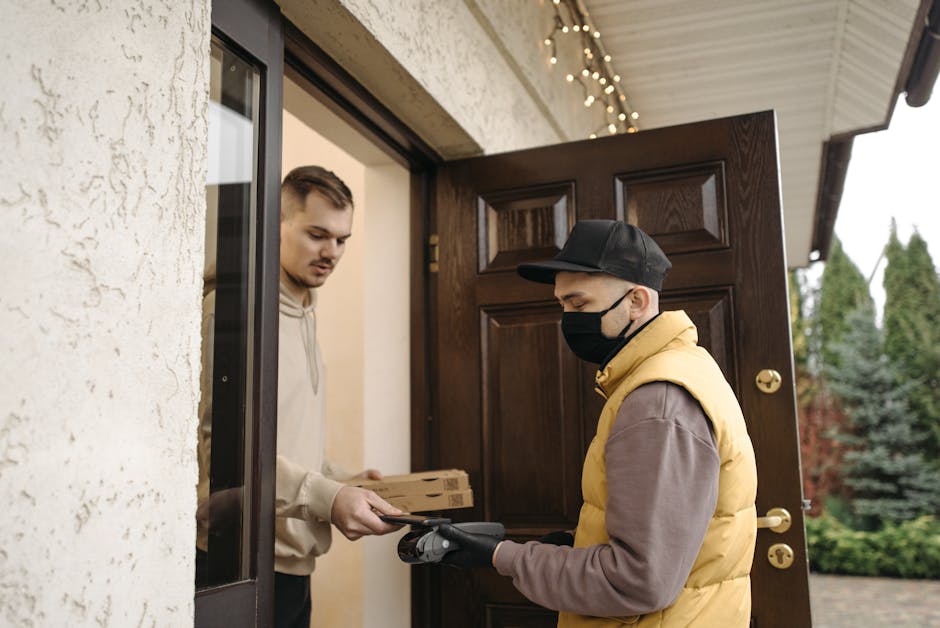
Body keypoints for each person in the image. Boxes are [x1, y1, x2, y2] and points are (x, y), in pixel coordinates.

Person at [436, 220, 758, 627]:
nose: (567, 319)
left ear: (637, 301)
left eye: (578, 304)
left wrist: (500, 556)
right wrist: (569, 546)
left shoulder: (658, 399)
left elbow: (637, 581)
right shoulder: (682, 370)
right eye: (562, 306)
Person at [197, 165, 401, 628]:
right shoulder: (234, 313)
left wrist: (343, 480)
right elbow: (228, 452)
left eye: (342, 239)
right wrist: (329, 497)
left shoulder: (304, 312)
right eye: (317, 234)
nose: (332, 252)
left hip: (292, 569)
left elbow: (284, 436)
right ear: (276, 224)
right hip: (236, 564)